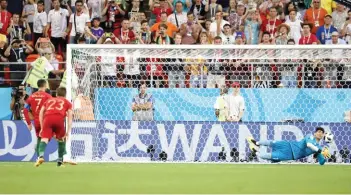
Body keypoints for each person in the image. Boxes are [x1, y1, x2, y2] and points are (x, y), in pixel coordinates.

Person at [247, 127, 331, 165]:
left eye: (321, 132)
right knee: (272, 143)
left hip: (289, 155)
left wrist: (324, 157)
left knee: (267, 156)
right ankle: (256, 143)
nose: (320, 133)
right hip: (288, 145)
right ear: (315, 133)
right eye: (318, 131)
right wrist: (319, 151)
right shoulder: (310, 136)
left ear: (323, 135)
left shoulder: (319, 149)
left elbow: (321, 163)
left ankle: (256, 152)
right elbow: (309, 145)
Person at [35, 87, 73, 167]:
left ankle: (41, 156)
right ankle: (59, 161)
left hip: (47, 119)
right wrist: (68, 131)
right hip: (59, 119)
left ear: (56, 94)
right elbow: (70, 117)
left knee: (44, 139)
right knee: (61, 139)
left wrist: (42, 126)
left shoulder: (49, 100)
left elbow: (41, 112)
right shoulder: (67, 102)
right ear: (65, 95)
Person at [23, 79, 52, 157]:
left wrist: (29, 123)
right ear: (45, 86)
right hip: (45, 121)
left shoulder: (31, 96)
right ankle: (39, 150)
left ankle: (39, 157)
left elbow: (25, 110)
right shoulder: (48, 96)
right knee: (47, 137)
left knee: (40, 137)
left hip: (36, 122)